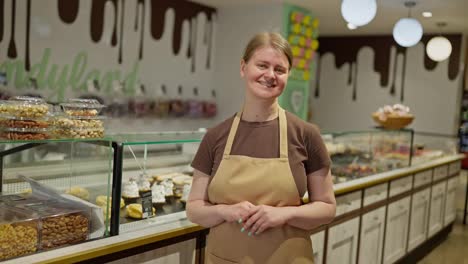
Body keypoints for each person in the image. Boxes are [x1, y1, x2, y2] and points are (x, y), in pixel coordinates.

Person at [186, 32, 336, 264]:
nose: (270, 75)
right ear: (243, 67)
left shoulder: (306, 134)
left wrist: (284, 214)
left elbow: (327, 208)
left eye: (280, 69)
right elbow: (194, 209)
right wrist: (225, 211)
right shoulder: (215, 137)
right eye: (262, 65)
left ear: (288, 75)